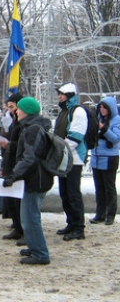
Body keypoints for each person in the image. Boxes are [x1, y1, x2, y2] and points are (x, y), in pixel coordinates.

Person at [3, 97, 53, 265]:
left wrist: (13, 175)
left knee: (30, 218)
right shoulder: (33, 127)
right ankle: (34, 247)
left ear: (28, 111)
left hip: (35, 179)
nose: (16, 111)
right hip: (36, 178)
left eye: (19, 108)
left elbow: (29, 158)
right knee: (28, 217)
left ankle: (40, 253)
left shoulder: (32, 130)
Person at [54, 83, 88, 241]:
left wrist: (61, 150)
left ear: (70, 95)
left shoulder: (78, 111)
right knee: (65, 193)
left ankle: (79, 227)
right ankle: (71, 223)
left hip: (74, 159)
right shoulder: (64, 111)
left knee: (73, 194)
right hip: (65, 157)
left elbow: (75, 137)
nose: (60, 96)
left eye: (63, 94)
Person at [0, 93, 24, 240]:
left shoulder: (24, 124)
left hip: (18, 163)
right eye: (8, 108)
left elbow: (23, 145)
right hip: (9, 161)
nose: (11, 111)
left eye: (12, 107)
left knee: (18, 199)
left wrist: (8, 144)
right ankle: (16, 225)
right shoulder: (13, 121)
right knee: (10, 198)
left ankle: (21, 227)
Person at [90, 97, 120, 225]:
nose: (102, 110)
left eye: (104, 108)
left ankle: (110, 214)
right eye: (100, 107)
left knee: (109, 188)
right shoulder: (98, 118)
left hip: (109, 158)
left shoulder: (116, 120)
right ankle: (100, 213)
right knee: (99, 188)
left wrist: (103, 129)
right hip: (96, 157)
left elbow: (115, 138)